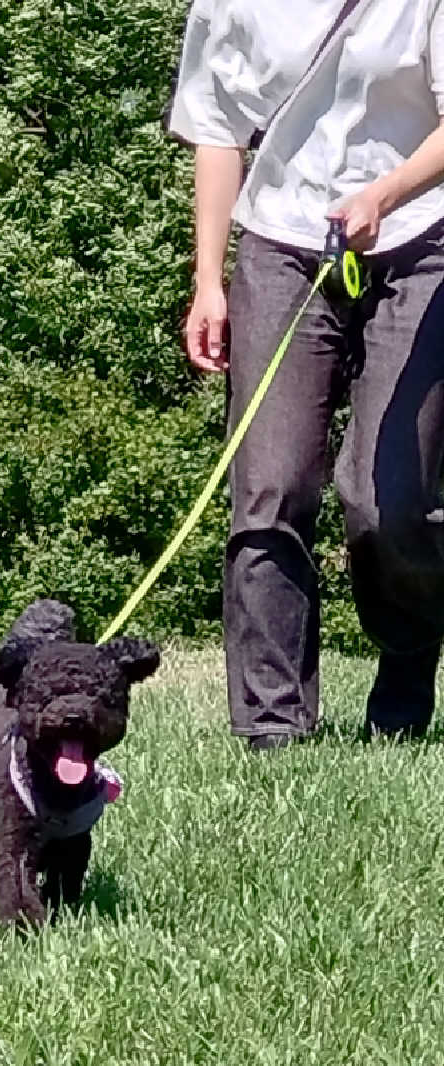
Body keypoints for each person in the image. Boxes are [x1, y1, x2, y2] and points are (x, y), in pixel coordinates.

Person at [164, 0, 444, 749]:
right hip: (283, 241)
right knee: (270, 485)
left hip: (420, 235)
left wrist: (386, 193)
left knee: (390, 501)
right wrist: (209, 279)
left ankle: (408, 667)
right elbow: (217, 126)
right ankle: (272, 729)